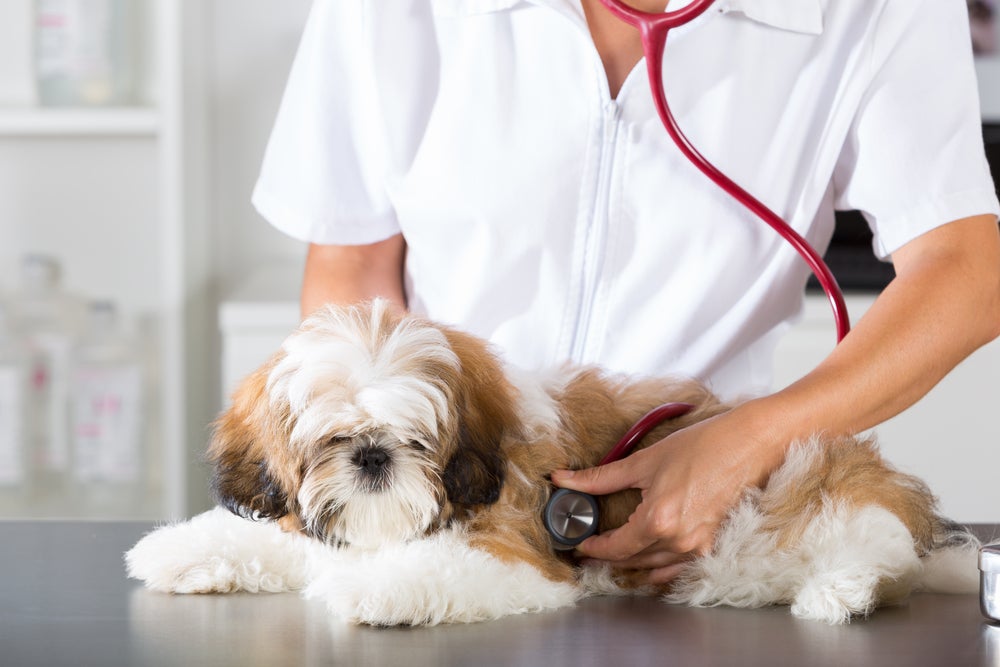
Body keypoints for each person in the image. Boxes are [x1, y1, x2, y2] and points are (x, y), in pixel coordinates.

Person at [251, 0, 1000, 585]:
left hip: (709, 534)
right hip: (456, 499)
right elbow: (352, 268)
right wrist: (398, 483)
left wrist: (750, 441)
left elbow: (967, 270)